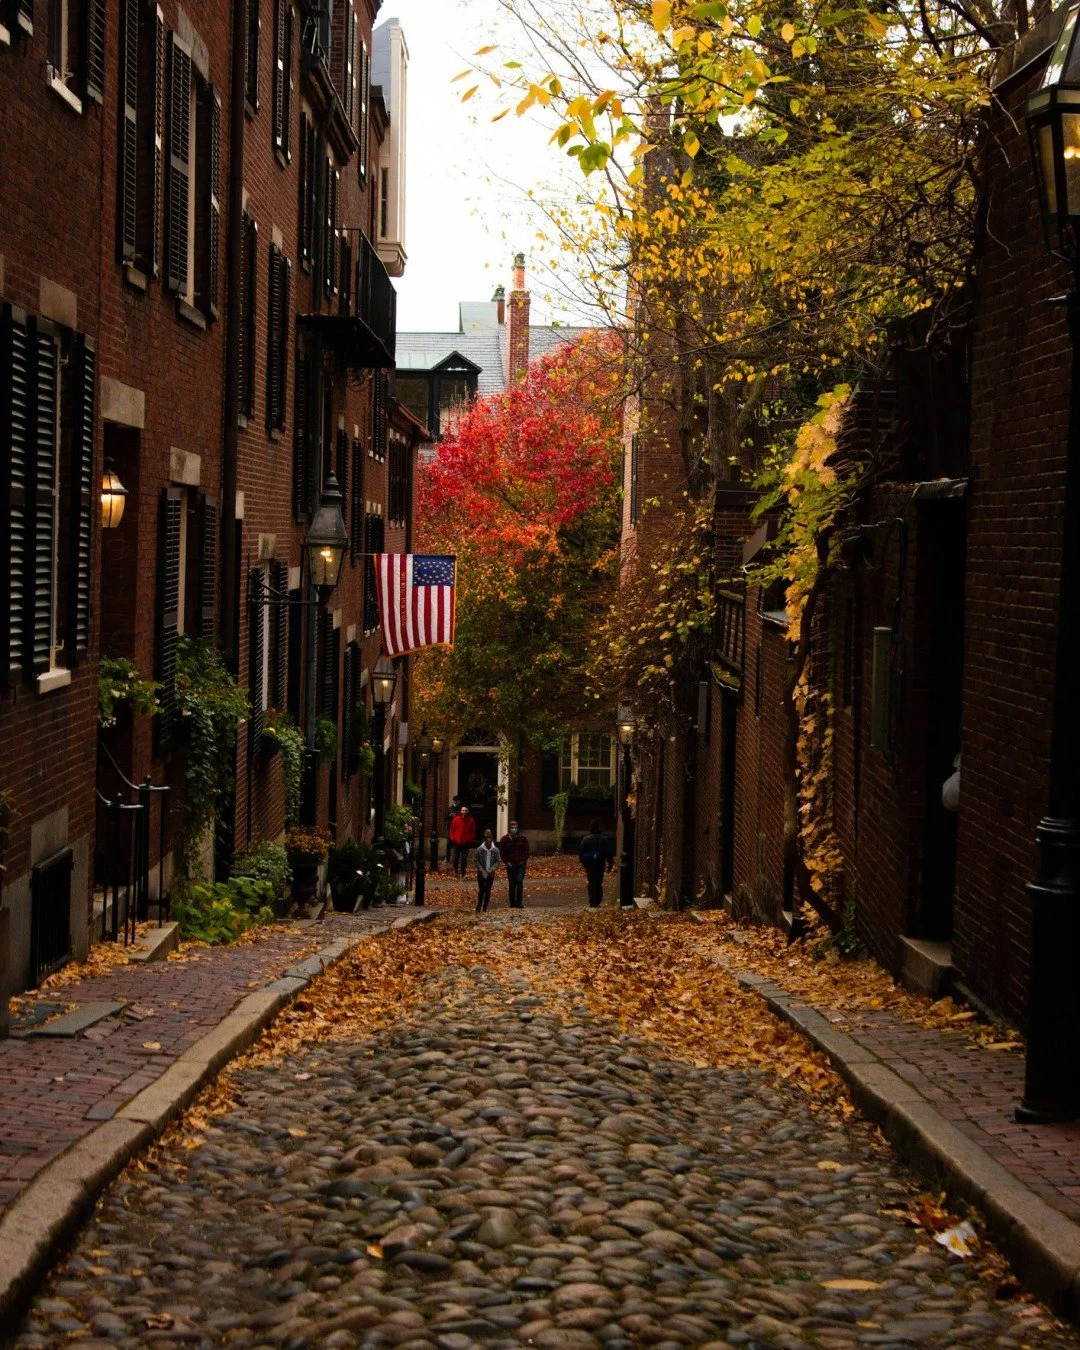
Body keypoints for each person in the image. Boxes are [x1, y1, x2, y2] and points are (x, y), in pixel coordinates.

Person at [579, 819, 613, 909]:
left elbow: (581, 853)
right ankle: (598, 899)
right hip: (600, 863)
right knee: (598, 882)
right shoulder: (604, 839)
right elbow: (608, 853)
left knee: (591, 881)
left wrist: (583, 863)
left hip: (590, 864)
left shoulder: (585, 839)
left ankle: (592, 900)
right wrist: (610, 864)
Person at [499, 820, 530, 909]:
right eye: (512, 827)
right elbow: (502, 853)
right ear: (509, 828)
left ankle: (519, 903)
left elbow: (526, 851)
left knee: (519, 882)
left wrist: (523, 861)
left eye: (515, 827)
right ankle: (512, 903)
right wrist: (507, 862)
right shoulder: (504, 839)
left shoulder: (522, 838)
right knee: (512, 884)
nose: (514, 829)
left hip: (520, 864)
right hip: (510, 864)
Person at [475, 829, 500, 913]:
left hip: (490, 873)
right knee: (482, 889)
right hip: (481, 873)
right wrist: (481, 869)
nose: (488, 844)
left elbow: (498, 860)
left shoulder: (495, 850)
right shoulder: (479, 850)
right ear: (484, 841)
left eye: (490, 842)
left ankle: (485, 907)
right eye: (487, 842)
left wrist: (492, 869)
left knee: (488, 890)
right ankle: (479, 905)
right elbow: (476, 860)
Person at [448, 805, 476, 878]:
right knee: (455, 858)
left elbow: (473, 831)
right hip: (456, 842)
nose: (464, 812)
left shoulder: (471, 820)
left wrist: (470, 839)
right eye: (463, 810)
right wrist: (452, 838)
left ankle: (463, 872)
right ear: (461, 811)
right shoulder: (456, 819)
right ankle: (456, 871)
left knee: (464, 859)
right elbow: (452, 829)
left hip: (466, 842)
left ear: (468, 811)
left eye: (466, 810)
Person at [444, 795, 461, 867]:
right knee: (448, 843)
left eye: (457, 801)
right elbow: (445, 817)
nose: (456, 802)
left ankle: (455, 857)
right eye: (455, 801)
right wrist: (450, 815)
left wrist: (456, 815)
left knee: (457, 843)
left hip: (458, 828)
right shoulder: (449, 809)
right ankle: (447, 857)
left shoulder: (460, 809)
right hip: (450, 828)